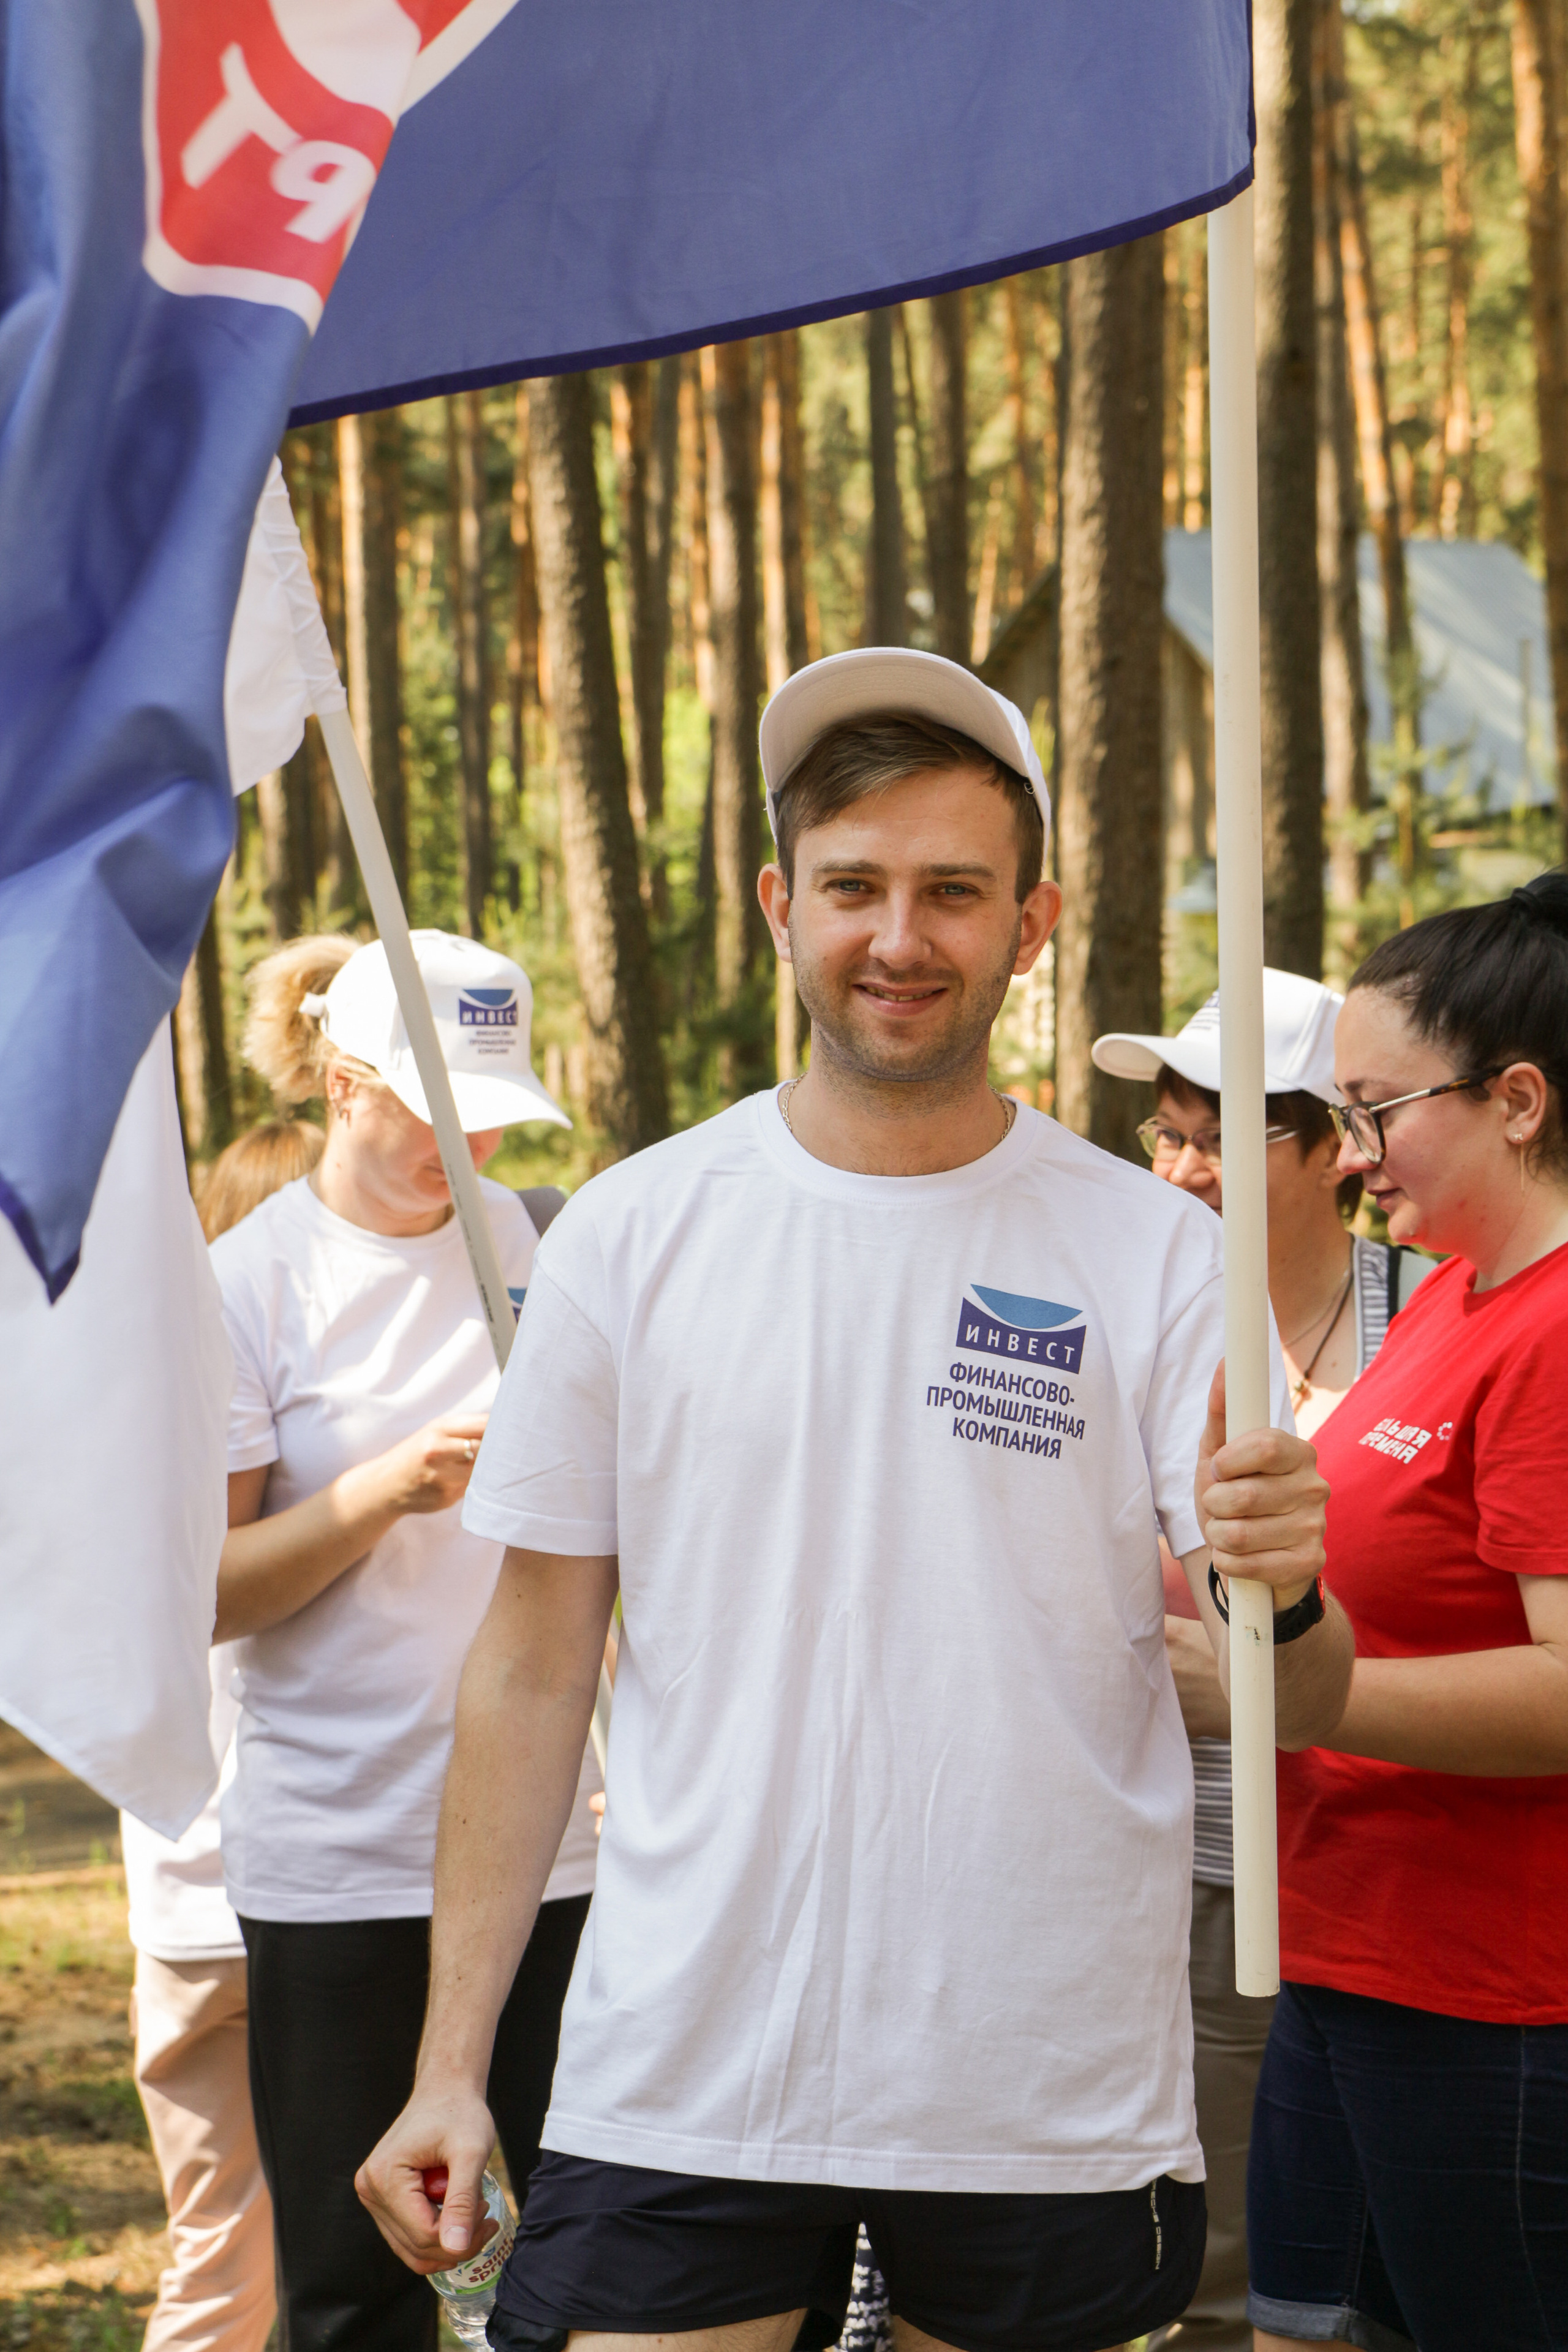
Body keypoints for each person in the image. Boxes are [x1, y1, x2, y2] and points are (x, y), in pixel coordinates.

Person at [357, 646, 1352, 2352]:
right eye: (856, 888)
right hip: (685, 2069)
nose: (902, 938)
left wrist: (1301, 1590)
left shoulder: (1162, 1254)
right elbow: (529, 1671)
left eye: (954, 892)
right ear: (779, 902)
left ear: (1030, 923)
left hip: (1040, 2083)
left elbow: (1297, 1703)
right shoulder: (634, 1230)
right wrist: (450, 2065)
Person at [212, 926, 602, 2352]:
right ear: (337, 1084)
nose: (471, 1141)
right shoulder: (247, 1284)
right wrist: (386, 1490)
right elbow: (204, 1592)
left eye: (494, 1109)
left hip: (553, 1848)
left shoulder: (529, 1237)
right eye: (435, 1107)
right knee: (357, 2293)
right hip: (342, 1863)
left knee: (572, 2263)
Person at [1245, 873, 1568, 2352]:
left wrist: (1299, 1694)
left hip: (1485, 1990)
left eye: (1378, 1110)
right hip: (1349, 1947)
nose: (1355, 1155)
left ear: (1514, 1098)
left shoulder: (1553, 1328)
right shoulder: (1449, 1293)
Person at [1090, 974, 1432, 2352]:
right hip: (1163, 1856)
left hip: (1361, 1864)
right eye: (1161, 1136)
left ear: (1330, 1144)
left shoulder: (1426, 1319)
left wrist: (1249, 1679)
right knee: (1177, 2252)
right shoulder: (1137, 1317)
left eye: (1212, 1137)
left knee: (1291, 2277)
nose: (1175, 1170)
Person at [119, 1118, 324, 2352]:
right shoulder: (292, 1477)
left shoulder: (157, 1435)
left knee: (221, 2264)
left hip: (189, 1909)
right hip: (271, 1905)